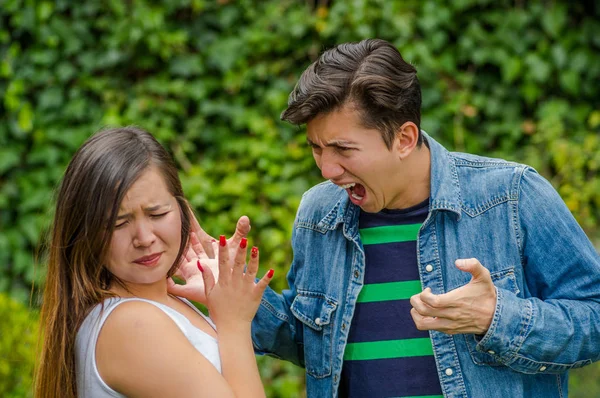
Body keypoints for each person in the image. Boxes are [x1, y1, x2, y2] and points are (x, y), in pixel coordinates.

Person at [187, 38, 600, 397]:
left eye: (343, 150)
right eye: (316, 148)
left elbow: (593, 317)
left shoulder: (511, 196)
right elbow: (314, 343)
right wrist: (231, 295)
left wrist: (498, 318)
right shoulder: (319, 214)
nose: (326, 170)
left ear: (404, 138)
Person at [34, 126, 274, 398]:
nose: (144, 238)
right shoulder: (132, 325)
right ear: (84, 233)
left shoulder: (164, 304)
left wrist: (220, 302)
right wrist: (234, 324)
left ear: (183, 209)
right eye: (118, 223)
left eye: (157, 214)